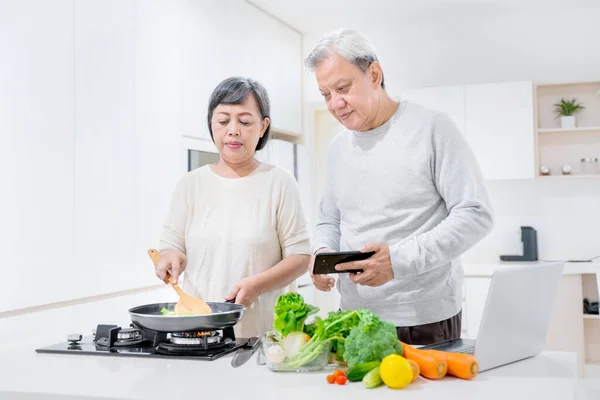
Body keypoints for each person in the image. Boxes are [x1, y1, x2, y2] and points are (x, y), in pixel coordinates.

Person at [305, 29, 494, 345]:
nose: (335, 104)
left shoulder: (432, 128)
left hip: (423, 320)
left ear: (374, 74)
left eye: (342, 87)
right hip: (353, 318)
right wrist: (322, 251)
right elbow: (330, 221)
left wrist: (398, 261)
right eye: (325, 94)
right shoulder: (337, 148)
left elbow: (476, 215)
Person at [155, 77, 311, 338]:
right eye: (223, 121)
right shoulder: (190, 185)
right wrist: (170, 257)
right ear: (211, 125)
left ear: (263, 126)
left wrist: (257, 285)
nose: (233, 130)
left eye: (245, 121)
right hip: (199, 330)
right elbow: (171, 246)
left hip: (263, 335)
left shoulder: (279, 182)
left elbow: (301, 258)